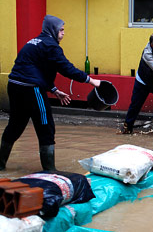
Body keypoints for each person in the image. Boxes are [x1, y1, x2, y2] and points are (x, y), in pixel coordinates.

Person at [0, 15, 101, 171]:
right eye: (61, 30)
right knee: (46, 126)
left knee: (15, 125)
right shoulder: (51, 46)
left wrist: (54, 90)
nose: (63, 33)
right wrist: (91, 81)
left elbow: (37, 69)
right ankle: (50, 171)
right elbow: (66, 68)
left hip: (14, 86)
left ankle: (1, 164)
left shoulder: (34, 42)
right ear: (52, 30)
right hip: (31, 89)